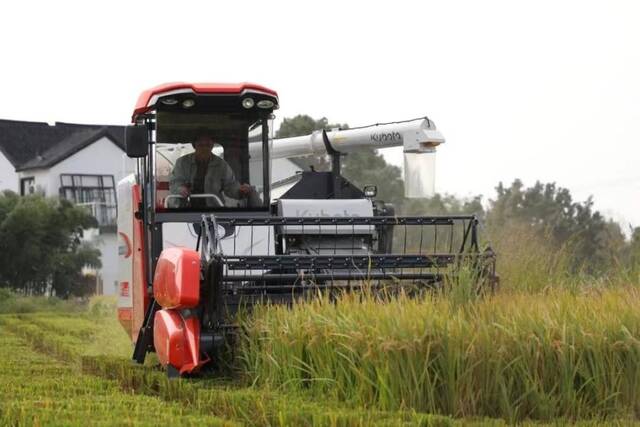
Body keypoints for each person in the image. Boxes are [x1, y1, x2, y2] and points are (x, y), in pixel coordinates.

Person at [169, 134, 253, 207]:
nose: (204, 148)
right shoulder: (182, 162)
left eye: (208, 145)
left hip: (214, 209)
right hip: (185, 210)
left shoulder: (221, 165)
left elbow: (231, 185)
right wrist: (181, 189)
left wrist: (240, 191)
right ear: (195, 145)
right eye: (201, 145)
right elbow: (175, 182)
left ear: (212, 146)